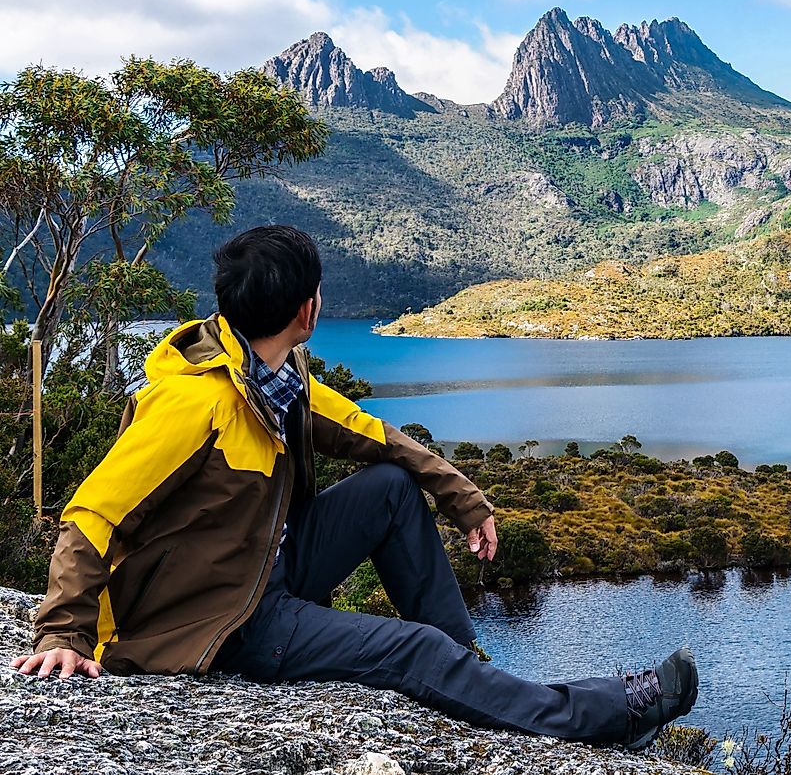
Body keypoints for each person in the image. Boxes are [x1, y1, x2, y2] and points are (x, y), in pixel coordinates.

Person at [11, 225, 697, 750]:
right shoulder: (193, 403)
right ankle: (604, 717)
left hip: (260, 571)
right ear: (308, 309)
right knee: (415, 649)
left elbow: (371, 435)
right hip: (222, 621)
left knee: (393, 489)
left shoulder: (274, 380)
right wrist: (63, 631)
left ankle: (475, 680)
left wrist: (463, 498)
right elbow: (92, 513)